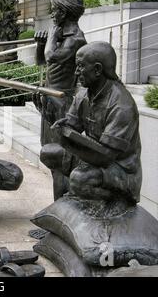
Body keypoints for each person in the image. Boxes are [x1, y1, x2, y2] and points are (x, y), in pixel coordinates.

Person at [51, 41, 142, 206]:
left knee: (79, 179)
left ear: (98, 70)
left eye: (80, 66)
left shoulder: (122, 104)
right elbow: (71, 127)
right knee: (48, 153)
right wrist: (52, 117)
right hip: (91, 157)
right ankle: (63, 205)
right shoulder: (84, 93)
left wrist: (67, 143)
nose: (76, 72)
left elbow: (106, 157)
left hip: (119, 169)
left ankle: (111, 207)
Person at [32, 0, 87, 201]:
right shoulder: (63, 37)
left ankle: (61, 210)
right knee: (51, 156)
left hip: (64, 105)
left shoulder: (76, 40)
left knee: (61, 162)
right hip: (51, 101)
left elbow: (52, 57)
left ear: (63, 13)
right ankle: (59, 208)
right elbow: (42, 62)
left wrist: (52, 36)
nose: (52, 14)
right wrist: (40, 43)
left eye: (54, 10)